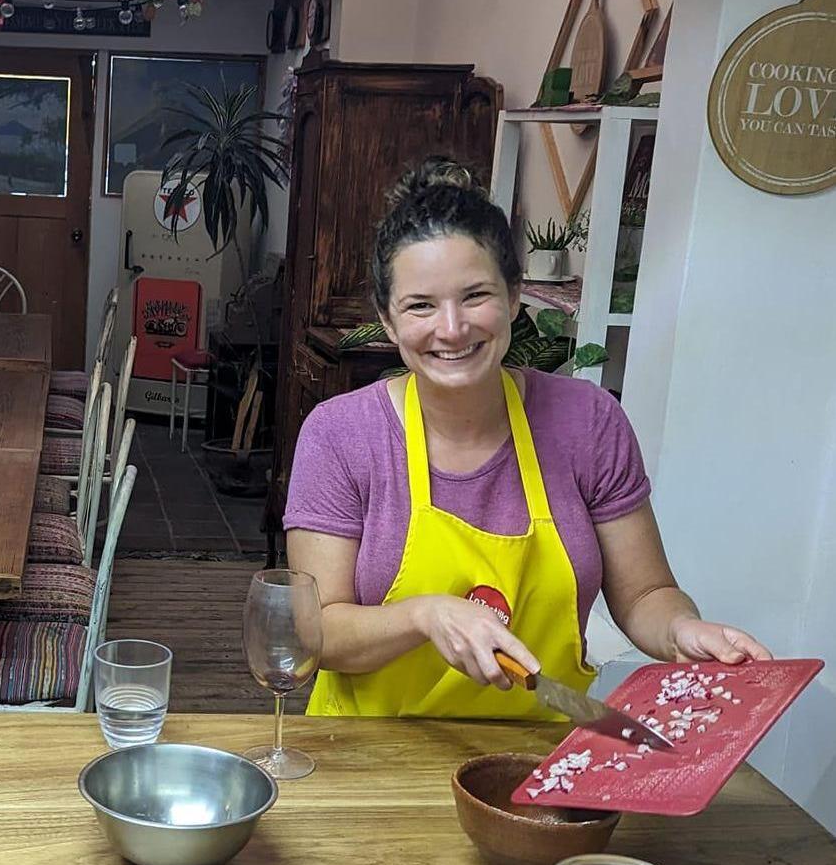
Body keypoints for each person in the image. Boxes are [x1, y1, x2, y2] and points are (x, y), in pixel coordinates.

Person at [285, 160, 769, 718]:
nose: (451, 328)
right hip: (372, 758)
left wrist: (683, 630)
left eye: (475, 296)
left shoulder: (587, 422)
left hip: (538, 760)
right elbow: (316, 630)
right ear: (389, 323)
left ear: (515, 298)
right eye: (421, 305)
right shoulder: (342, 435)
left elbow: (643, 596)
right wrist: (427, 615)